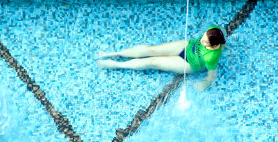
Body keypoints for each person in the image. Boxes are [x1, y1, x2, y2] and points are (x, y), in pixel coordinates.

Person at [97, 26, 226, 91]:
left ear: (214, 45)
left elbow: (212, 76)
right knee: (151, 50)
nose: (202, 41)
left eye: (205, 43)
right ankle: (115, 53)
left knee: (151, 62)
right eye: (202, 38)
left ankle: (116, 64)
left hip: (187, 63)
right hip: (186, 46)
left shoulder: (211, 58)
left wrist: (203, 85)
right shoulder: (213, 30)